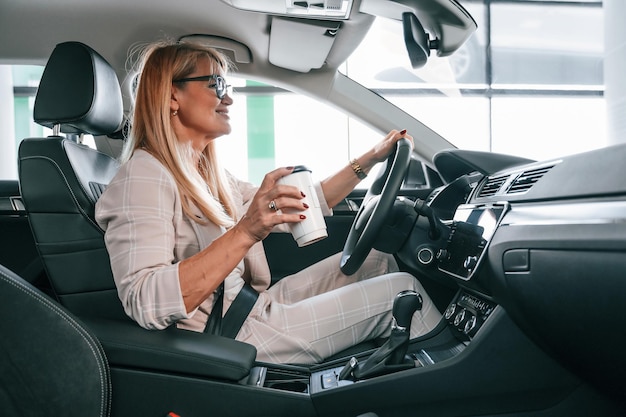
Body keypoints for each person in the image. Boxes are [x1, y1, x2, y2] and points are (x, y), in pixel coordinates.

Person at [95, 40, 441, 364]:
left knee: (378, 261)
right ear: (172, 96)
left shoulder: (201, 171)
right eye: (216, 84)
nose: (228, 98)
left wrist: (369, 160)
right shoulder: (143, 176)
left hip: (251, 307)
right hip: (230, 334)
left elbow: (305, 204)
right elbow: (145, 300)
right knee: (403, 291)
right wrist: (247, 230)